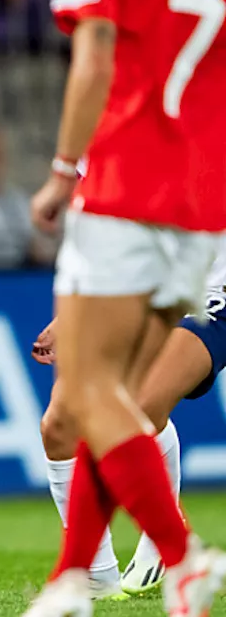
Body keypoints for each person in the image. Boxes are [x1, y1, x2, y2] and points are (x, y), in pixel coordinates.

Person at [24, 0, 226, 615]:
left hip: (124, 190)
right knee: (102, 394)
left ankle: (182, 556)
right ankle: (74, 579)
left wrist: (62, 166)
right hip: (199, 209)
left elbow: (96, 52)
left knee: (91, 394)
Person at [32, 236, 226, 599]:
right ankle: (96, 578)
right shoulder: (93, 180)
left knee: (133, 408)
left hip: (213, 294)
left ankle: (173, 544)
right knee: (59, 425)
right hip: (144, 292)